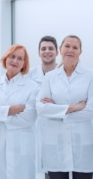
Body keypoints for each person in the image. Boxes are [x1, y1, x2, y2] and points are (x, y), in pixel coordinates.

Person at [36, 35, 93, 179]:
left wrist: (56, 110)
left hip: (82, 143)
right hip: (56, 143)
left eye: (75, 47)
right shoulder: (50, 77)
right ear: (60, 50)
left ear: (80, 51)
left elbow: (90, 111)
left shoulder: (90, 76)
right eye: (67, 46)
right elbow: (41, 108)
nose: (70, 50)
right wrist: (72, 108)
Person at [0, 44, 38, 179]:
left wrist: (0, 113)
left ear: (24, 64)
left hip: (21, 146)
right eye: (12, 56)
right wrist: (12, 110)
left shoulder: (32, 87)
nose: (15, 61)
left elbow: (29, 117)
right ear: (6, 59)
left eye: (20, 58)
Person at [28, 36, 58, 179]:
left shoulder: (65, 74)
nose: (47, 51)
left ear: (57, 52)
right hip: (35, 134)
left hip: (59, 134)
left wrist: (56, 106)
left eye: (51, 48)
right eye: (43, 49)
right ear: (38, 53)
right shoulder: (29, 75)